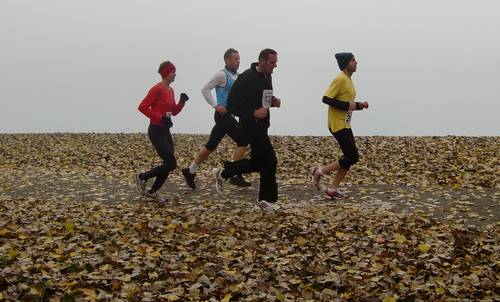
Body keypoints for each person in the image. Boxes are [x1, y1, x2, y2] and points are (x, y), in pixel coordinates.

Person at [212, 48, 281, 211]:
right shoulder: (246, 78)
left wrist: (273, 101)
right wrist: (253, 112)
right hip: (250, 125)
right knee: (270, 161)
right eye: (272, 62)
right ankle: (265, 201)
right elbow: (232, 105)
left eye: (276, 62)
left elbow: (264, 97)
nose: (275, 65)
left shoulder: (267, 75)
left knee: (258, 162)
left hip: (263, 125)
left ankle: (224, 172)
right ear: (262, 61)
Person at [181, 48, 251, 189]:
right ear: (226, 60)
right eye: (235, 59)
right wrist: (215, 105)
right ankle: (234, 174)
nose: (238, 62)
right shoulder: (221, 75)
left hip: (229, 115)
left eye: (239, 59)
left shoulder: (238, 76)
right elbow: (205, 89)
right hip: (223, 115)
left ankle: (190, 170)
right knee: (243, 140)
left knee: (211, 145)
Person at [311, 52, 369, 199]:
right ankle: (320, 171)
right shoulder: (340, 79)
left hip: (345, 124)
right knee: (352, 156)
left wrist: (358, 105)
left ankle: (332, 189)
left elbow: (347, 103)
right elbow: (326, 99)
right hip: (337, 124)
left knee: (350, 158)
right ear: (346, 63)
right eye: (353, 60)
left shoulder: (348, 80)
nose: (356, 62)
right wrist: (354, 105)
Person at [134, 61, 188, 202]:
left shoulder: (170, 90)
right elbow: (142, 107)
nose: (175, 74)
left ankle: (152, 191)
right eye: (172, 72)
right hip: (156, 130)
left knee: (168, 164)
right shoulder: (157, 89)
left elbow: (173, 112)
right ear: (166, 73)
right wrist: (160, 118)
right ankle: (142, 177)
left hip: (165, 130)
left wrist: (182, 102)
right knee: (171, 163)